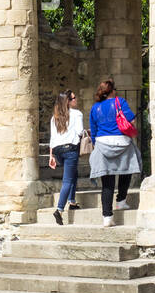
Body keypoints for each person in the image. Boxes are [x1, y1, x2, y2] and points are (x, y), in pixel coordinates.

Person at [87, 79, 142, 227]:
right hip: (122, 142)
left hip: (102, 144)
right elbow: (131, 119)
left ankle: (107, 217)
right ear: (112, 91)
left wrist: (95, 144)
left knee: (107, 183)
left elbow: (93, 129)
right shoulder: (120, 102)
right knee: (126, 171)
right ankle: (121, 201)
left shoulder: (95, 108)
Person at [47, 90, 84, 225]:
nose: (76, 100)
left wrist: (51, 156)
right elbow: (80, 131)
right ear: (68, 101)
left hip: (57, 151)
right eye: (73, 98)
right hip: (70, 150)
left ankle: (72, 201)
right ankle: (59, 209)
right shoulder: (76, 114)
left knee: (73, 172)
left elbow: (53, 138)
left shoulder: (54, 117)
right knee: (67, 180)